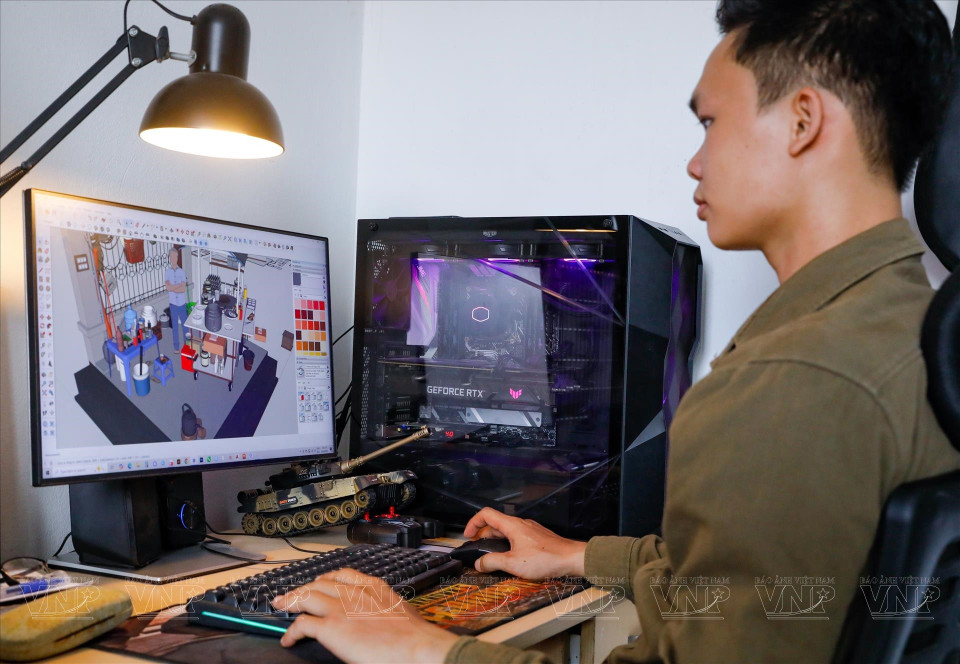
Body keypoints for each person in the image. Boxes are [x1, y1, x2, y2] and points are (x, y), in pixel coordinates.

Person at [271, 1, 960, 662]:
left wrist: (425, 649)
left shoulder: (789, 386)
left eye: (712, 122)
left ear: (803, 120)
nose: (696, 162)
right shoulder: (914, 332)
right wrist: (576, 554)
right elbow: (785, 591)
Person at [165, 248, 188, 354]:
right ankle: (176, 347)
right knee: (174, 326)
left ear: (177, 257)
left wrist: (174, 287)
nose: (173, 258)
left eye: (175, 256)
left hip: (182, 303)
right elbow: (168, 288)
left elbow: (183, 289)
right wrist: (178, 285)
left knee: (185, 325)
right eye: (171, 256)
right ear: (170, 258)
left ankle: (187, 345)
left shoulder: (182, 272)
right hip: (173, 304)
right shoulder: (167, 272)